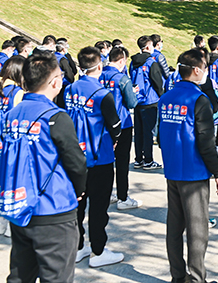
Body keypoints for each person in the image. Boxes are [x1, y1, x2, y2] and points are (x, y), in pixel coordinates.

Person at [3, 53, 88, 283]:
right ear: (55, 82)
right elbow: (77, 163)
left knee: (20, 275)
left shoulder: (11, 114)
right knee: (57, 276)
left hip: (21, 206)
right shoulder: (56, 117)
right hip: (53, 209)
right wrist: (79, 190)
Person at [158, 48, 218, 283]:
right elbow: (206, 142)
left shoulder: (165, 98)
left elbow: (160, 136)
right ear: (196, 70)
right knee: (197, 231)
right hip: (194, 173)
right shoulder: (199, 100)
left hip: (172, 170)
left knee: (174, 227)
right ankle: (197, 279)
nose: (206, 72)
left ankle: (178, 276)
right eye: (205, 68)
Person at [65, 47, 123, 268]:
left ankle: (78, 246)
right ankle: (98, 251)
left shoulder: (69, 89)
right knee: (98, 207)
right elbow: (115, 125)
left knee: (77, 206)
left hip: (74, 156)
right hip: (99, 157)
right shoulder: (102, 94)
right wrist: (115, 139)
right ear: (100, 66)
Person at [0, 55, 27, 236]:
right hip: (13, 143)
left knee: (0, 180)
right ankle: (12, 223)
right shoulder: (17, 93)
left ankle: (0, 222)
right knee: (15, 180)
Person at [99, 46, 142, 210]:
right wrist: (133, 92)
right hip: (122, 123)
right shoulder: (122, 79)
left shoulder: (99, 75)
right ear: (122, 60)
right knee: (122, 162)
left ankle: (108, 192)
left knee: (106, 160)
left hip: (103, 124)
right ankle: (123, 197)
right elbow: (132, 103)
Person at [130, 35, 164, 170]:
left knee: (139, 132)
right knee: (148, 132)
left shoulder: (133, 62)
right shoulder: (151, 62)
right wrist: (162, 96)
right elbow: (157, 82)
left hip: (137, 100)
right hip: (150, 100)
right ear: (149, 46)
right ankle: (148, 160)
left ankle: (138, 159)